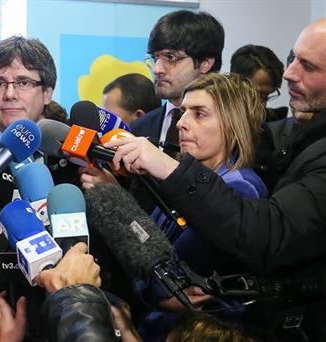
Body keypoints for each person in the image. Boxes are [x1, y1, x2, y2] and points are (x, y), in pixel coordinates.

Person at [108, 19, 326, 341]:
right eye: (292, 58)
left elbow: (166, 281)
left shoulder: (240, 187)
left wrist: (145, 287)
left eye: (199, 114)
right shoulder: (189, 180)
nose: (181, 123)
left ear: (232, 126)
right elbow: (146, 259)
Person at [131, 10, 224, 147]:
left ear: (205, 63)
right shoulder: (139, 128)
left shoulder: (231, 129)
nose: (157, 70)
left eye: (171, 57)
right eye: (155, 58)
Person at [230, 44, 286, 121]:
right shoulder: (212, 121)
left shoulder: (274, 123)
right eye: (258, 95)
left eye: (266, 97)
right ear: (235, 84)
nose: (263, 106)